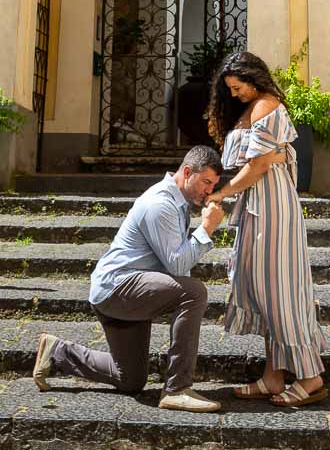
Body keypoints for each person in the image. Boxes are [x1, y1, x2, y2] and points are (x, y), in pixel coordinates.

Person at [32, 145, 226, 412]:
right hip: (118, 287)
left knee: (130, 379)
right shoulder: (160, 203)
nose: (208, 190)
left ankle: (57, 352)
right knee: (194, 291)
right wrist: (207, 228)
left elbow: (176, 268)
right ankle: (177, 388)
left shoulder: (177, 204)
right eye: (206, 182)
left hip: (121, 291)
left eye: (213, 184)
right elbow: (178, 265)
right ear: (187, 171)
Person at [206, 51, 327, 408]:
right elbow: (263, 159)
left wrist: (223, 192)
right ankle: (274, 377)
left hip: (272, 206)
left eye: (238, 87)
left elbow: (258, 165)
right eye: (229, 89)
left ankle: (310, 376)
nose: (234, 94)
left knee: (280, 292)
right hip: (257, 204)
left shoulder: (267, 105)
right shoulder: (252, 108)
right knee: (262, 290)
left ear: (253, 78)